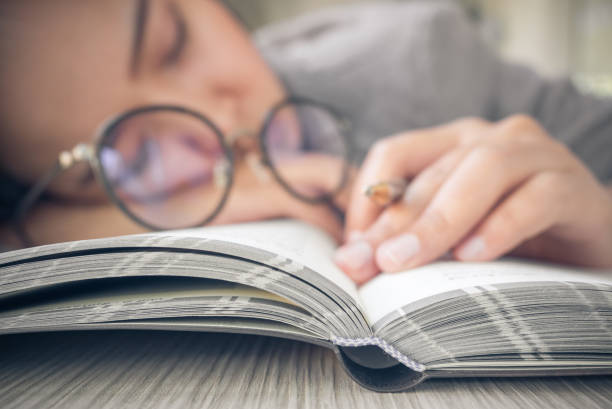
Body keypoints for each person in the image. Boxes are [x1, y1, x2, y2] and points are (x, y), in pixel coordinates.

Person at [0, 0, 611, 286]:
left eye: (173, 43)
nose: (215, 119)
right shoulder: (51, 207)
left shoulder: (417, 55)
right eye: (125, 158)